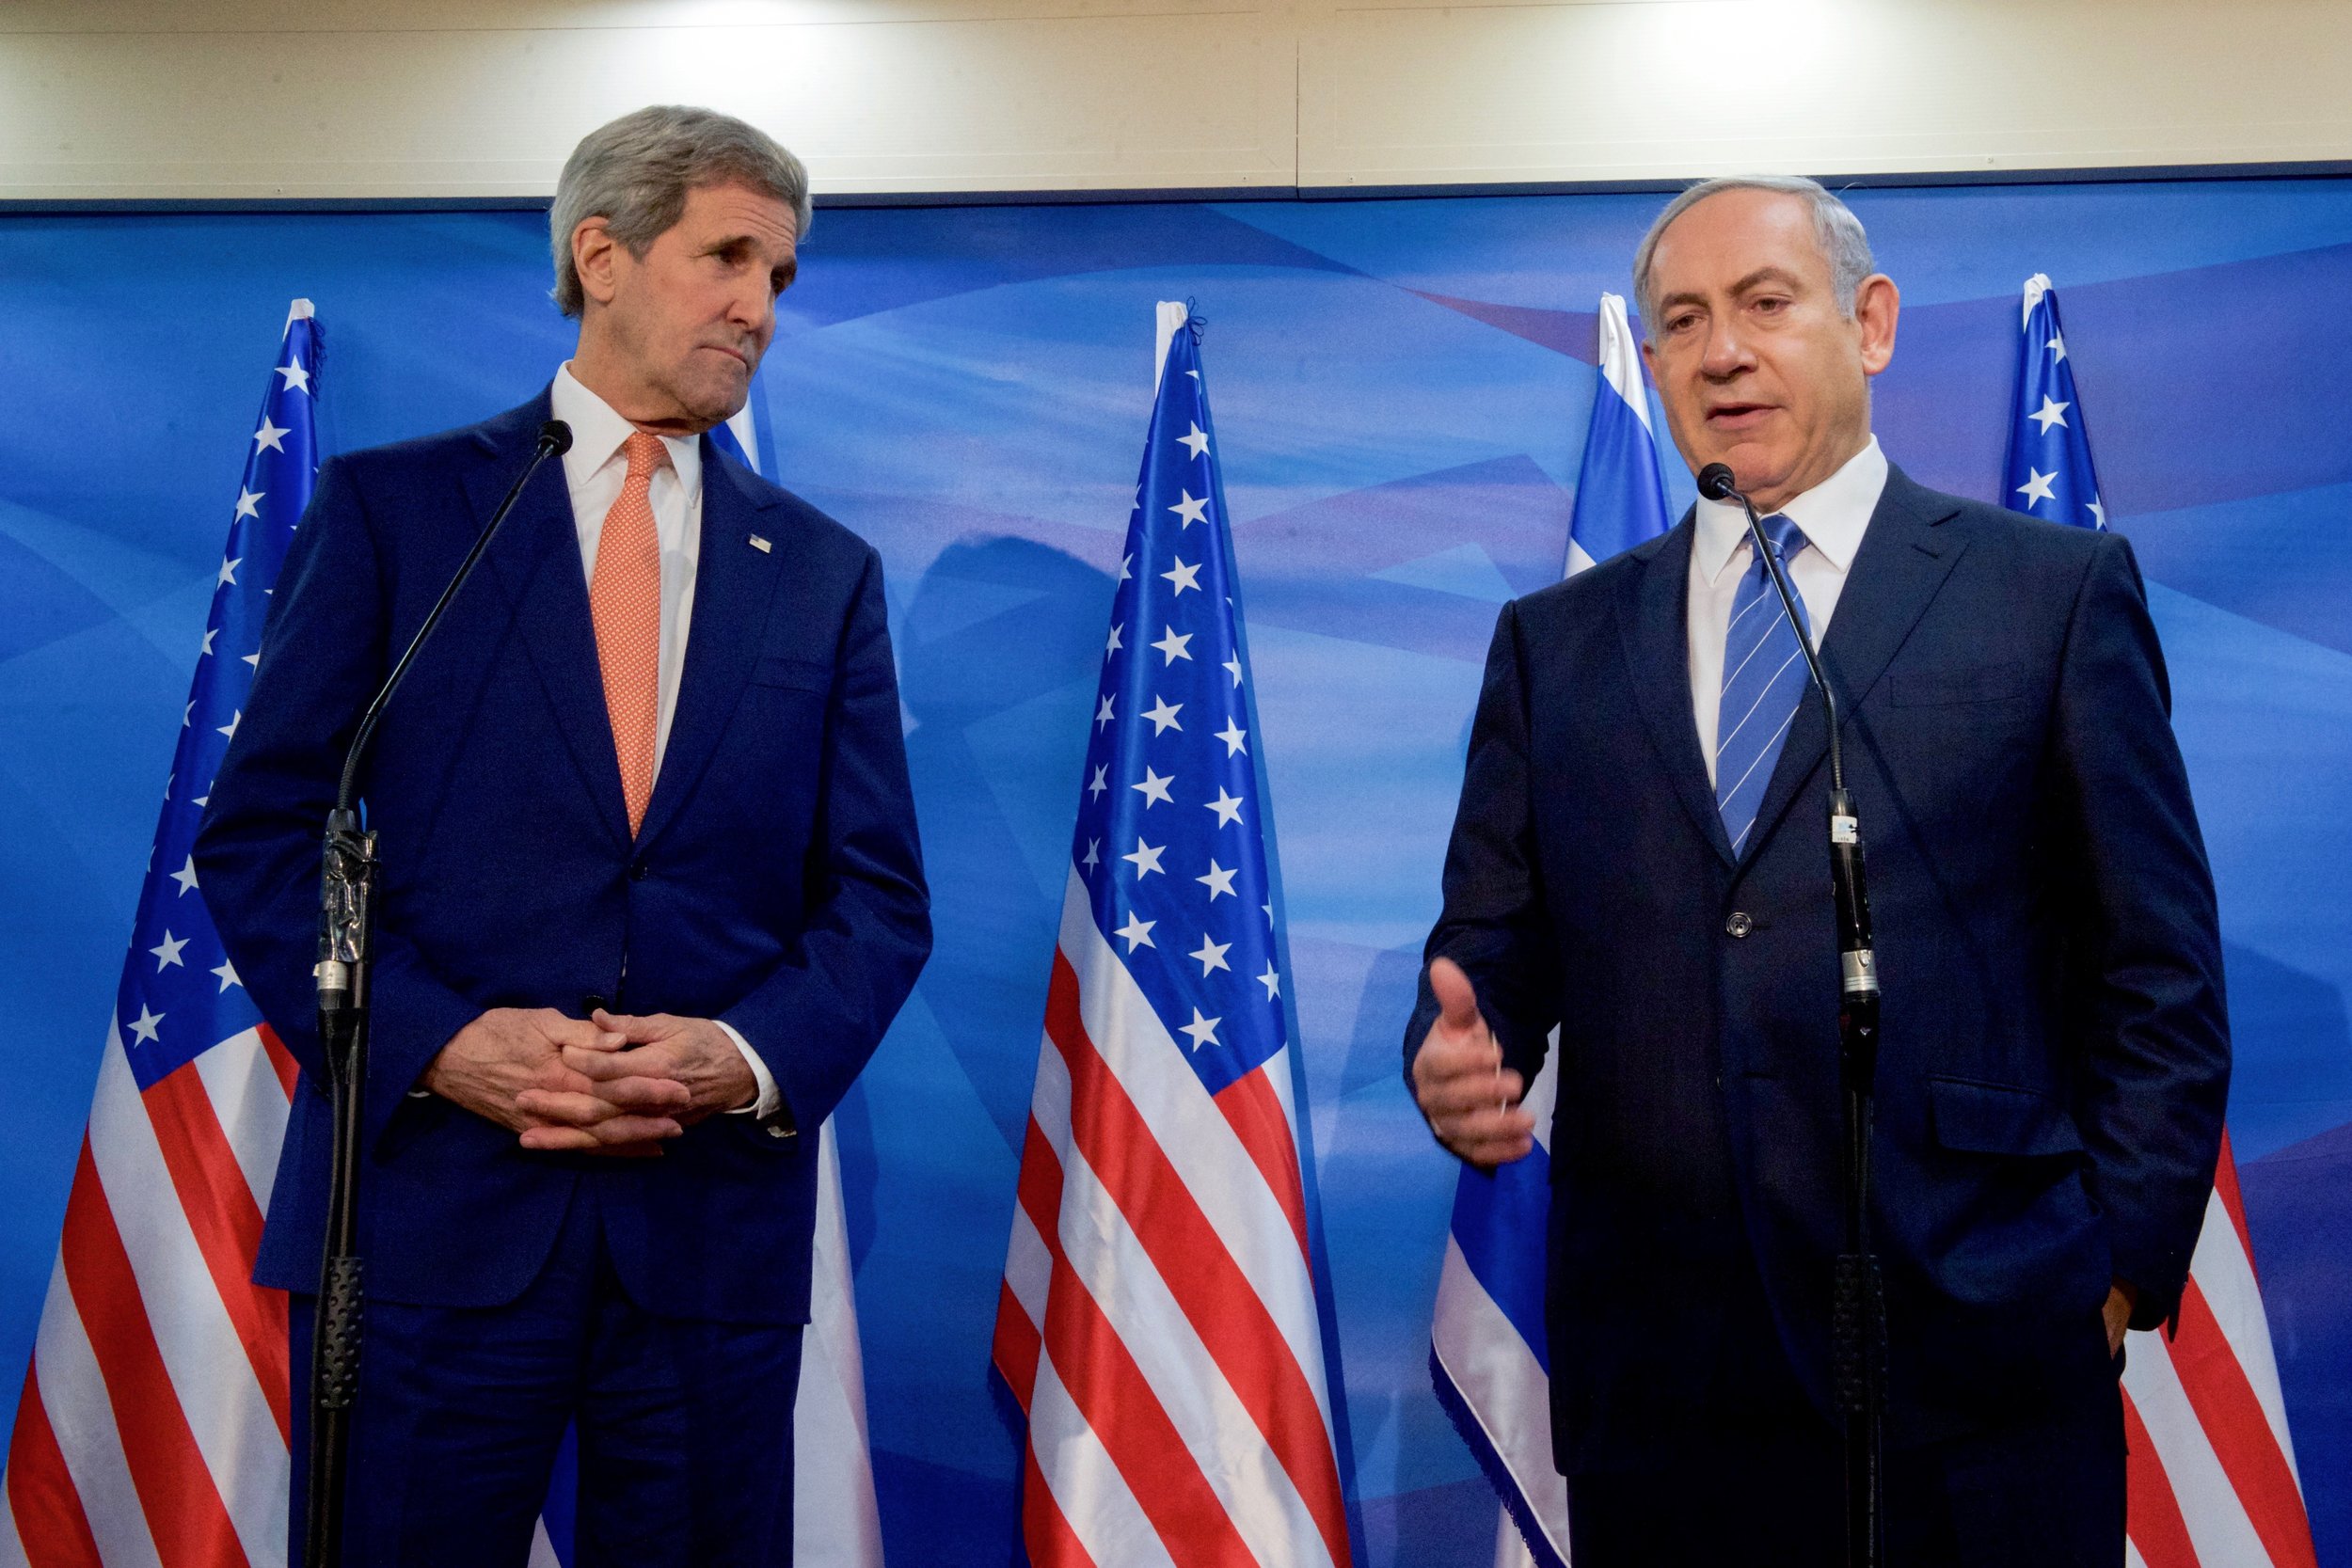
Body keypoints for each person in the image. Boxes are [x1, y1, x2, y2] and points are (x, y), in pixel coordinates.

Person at [1404, 176, 2228, 1566]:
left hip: (1978, 1363)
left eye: (1766, 304)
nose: (1724, 350)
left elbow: (2156, 968)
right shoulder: (1557, 645)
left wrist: (2117, 1271)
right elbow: (1492, 949)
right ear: (1654, 363)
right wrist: (1454, 1055)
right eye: (1683, 321)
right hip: (1663, 1392)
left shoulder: (2050, 597)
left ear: (1872, 324)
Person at [196, 105, 930, 1566]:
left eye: (778, 277)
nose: (757, 308)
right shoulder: (404, 513)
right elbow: (266, 839)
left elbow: (876, 901)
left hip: (706, 1234)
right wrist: (447, 1042)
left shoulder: (823, 573)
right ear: (602, 255)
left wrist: (744, 1056)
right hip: (429, 1227)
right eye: (726, 258)